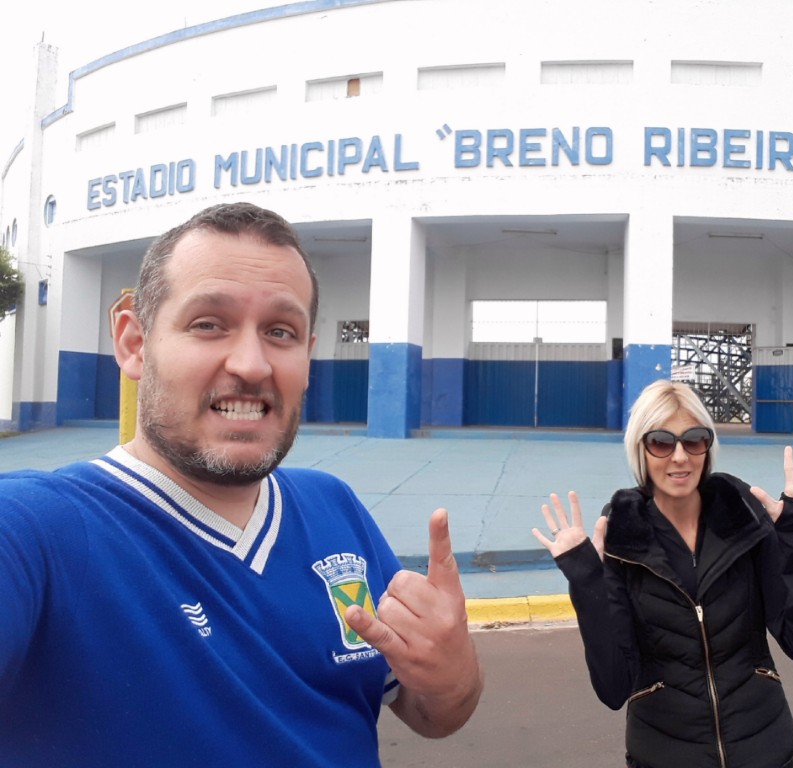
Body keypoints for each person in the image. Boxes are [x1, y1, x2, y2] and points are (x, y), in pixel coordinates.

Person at [0, 202, 483, 766]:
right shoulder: (38, 530)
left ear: (307, 354)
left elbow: (430, 713)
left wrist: (452, 676)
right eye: (208, 324)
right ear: (134, 343)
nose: (252, 364)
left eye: (281, 331)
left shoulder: (336, 508)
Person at [532, 379, 793, 768]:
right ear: (640, 451)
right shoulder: (621, 541)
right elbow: (614, 688)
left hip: (764, 750)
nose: (680, 456)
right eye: (661, 442)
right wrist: (588, 584)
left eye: (694, 440)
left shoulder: (746, 524)